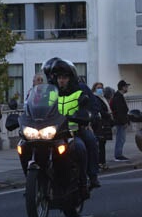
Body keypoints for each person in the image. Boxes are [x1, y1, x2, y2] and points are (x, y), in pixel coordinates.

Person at [42, 58, 91, 195]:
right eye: (59, 78)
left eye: (64, 78)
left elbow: (85, 109)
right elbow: (40, 108)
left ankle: (83, 182)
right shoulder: (50, 94)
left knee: (80, 147)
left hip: (71, 133)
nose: (61, 81)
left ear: (70, 79)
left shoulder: (78, 93)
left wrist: (82, 116)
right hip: (52, 133)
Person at [91, 83, 114, 170]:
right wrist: (108, 114)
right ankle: (100, 162)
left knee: (102, 143)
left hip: (104, 123)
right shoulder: (95, 98)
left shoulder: (102, 97)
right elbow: (99, 110)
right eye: (98, 88)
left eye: (101, 88)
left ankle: (102, 162)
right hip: (99, 123)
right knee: (100, 144)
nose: (100, 89)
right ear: (94, 89)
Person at [111, 80, 131, 161]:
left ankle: (119, 154)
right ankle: (118, 155)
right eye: (126, 87)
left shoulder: (119, 96)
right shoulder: (118, 97)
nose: (127, 88)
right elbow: (119, 111)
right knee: (120, 138)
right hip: (120, 122)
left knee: (122, 138)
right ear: (123, 87)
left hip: (121, 121)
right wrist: (124, 122)